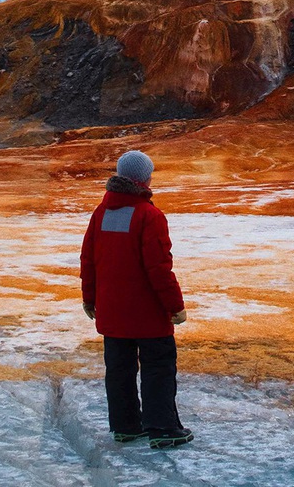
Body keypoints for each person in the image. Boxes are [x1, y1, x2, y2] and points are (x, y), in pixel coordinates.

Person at [80, 150, 192, 449]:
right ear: (144, 178)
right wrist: (175, 306)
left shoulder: (101, 213)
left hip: (113, 312)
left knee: (119, 370)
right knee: (158, 367)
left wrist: (89, 298)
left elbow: (89, 259)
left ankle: (126, 426)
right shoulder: (148, 215)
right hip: (147, 315)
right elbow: (158, 268)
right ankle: (163, 428)